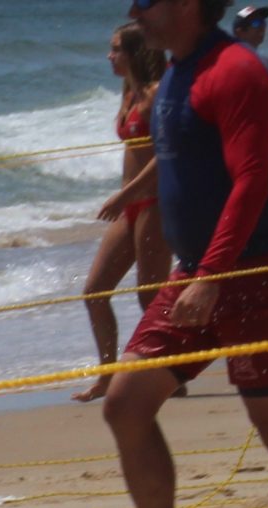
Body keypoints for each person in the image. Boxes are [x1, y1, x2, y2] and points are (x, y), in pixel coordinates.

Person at [101, 0, 268, 508]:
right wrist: (131, 194)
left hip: (253, 269)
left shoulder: (238, 69)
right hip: (195, 271)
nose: (132, 13)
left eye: (144, 3)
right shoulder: (176, 73)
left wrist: (214, 272)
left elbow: (251, 177)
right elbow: (174, 161)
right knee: (125, 404)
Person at [80, 24, 178, 402]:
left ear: (137, 53)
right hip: (131, 204)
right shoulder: (129, 93)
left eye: (116, 49)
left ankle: (171, 373)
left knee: (149, 297)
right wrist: (124, 198)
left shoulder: (157, 93)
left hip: (154, 202)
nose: (110, 56)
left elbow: (166, 155)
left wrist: (125, 194)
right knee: (94, 292)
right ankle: (108, 374)